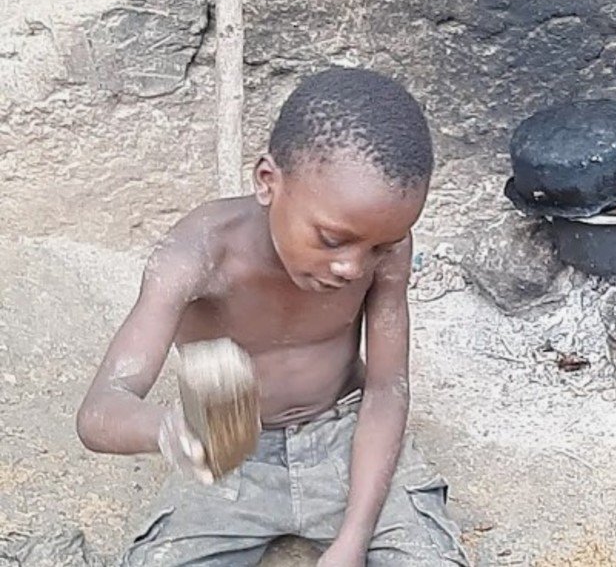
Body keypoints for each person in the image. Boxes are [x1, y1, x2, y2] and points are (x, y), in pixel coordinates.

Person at [76, 67, 470, 565]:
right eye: (331, 239)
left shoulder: (384, 246)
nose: (352, 266)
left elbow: (387, 389)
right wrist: (172, 431)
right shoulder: (197, 255)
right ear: (268, 181)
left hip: (346, 439)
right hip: (234, 457)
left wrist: (353, 539)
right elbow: (100, 410)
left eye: (381, 247)